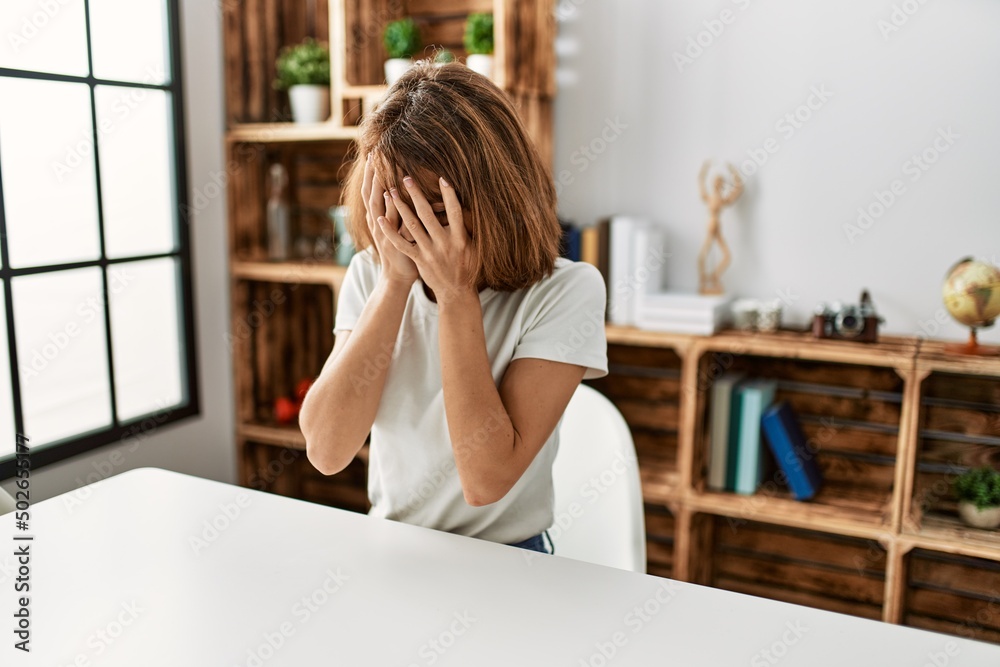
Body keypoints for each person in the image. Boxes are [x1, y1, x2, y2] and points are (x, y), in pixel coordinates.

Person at [300, 61, 608, 554]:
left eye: (435, 215)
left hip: (508, 557)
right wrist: (394, 284)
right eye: (398, 210)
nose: (413, 235)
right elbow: (326, 450)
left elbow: (485, 481)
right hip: (395, 546)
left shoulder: (567, 291)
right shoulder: (371, 274)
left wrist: (456, 295)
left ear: (497, 200)